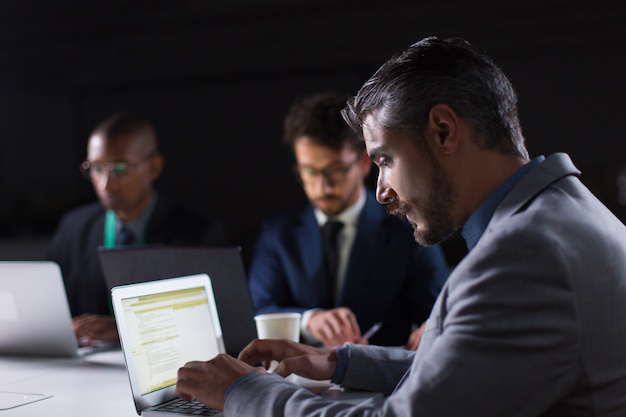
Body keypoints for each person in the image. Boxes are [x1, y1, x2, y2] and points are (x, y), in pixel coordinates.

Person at [174, 37, 626, 416]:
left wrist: (243, 392)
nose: (381, 191)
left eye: (385, 160)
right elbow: (468, 373)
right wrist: (338, 362)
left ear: (444, 131)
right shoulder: (559, 216)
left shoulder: (523, 258)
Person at [248, 91, 449, 349]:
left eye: (335, 170)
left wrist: (432, 328)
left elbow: (437, 314)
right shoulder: (278, 232)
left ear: (364, 163)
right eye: (309, 171)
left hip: (384, 380)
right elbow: (259, 307)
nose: (323, 186)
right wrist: (310, 320)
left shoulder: (409, 231)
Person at [48, 113, 228, 346]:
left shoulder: (197, 233)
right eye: (96, 168)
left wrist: (127, 331)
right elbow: (51, 307)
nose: (105, 183)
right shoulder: (74, 228)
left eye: (120, 169)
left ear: (154, 167)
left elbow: (211, 322)